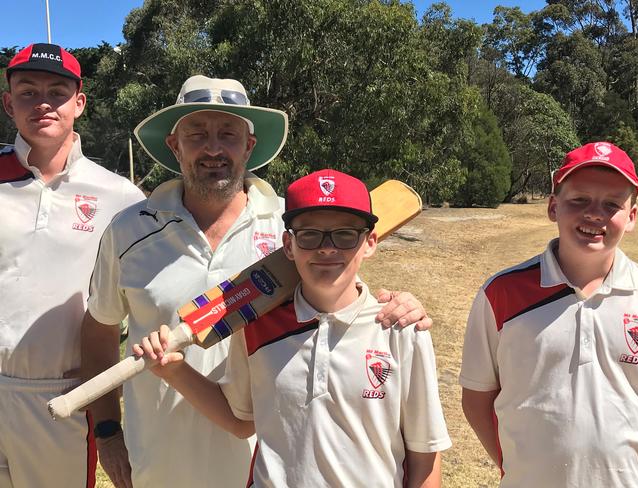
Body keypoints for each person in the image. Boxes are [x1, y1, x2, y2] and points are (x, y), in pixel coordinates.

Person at [81, 75, 433, 488]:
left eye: (228, 134)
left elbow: (339, 297)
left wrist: (401, 305)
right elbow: (99, 330)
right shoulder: (128, 231)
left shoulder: (294, 229)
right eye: (198, 134)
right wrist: (107, 431)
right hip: (158, 464)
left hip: (263, 469)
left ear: (249, 146)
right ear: (174, 145)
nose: (213, 148)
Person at [136, 168, 452, 487]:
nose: (327, 248)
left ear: (369, 242)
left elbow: (424, 456)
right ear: (288, 244)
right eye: (310, 235)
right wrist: (174, 372)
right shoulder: (257, 325)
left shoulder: (400, 329)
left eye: (345, 235)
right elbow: (239, 419)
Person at [460, 142, 638, 487]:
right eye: (579, 199)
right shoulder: (501, 293)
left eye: (612, 204)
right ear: (553, 207)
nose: (594, 213)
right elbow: (476, 397)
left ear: (632, 217)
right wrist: (515, 465)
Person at [0, 43, 144, 488]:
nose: (42, 103)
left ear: (79, 103)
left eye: (57, 92)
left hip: (57, 399)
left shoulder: (120, 198)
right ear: (8, 102)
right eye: (27, 91)